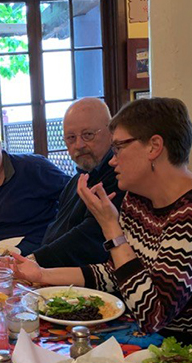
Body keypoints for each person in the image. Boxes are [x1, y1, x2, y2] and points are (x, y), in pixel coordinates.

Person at [0, 98, 192, 353]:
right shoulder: (139, 198)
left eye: (119, 147)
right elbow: (115, 274)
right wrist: (40, 273)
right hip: (144, 336)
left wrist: (112, 229)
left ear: (154, 147)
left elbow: (154, 315)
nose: (112, 160)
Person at [32, 98, 124, 267]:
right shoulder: (77, 180)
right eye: (71, 138)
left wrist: (35, 261)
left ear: (111, 132)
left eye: (88, 135)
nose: (79, 145)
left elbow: (91, 238)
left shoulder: (119, 178)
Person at [0, 125, 71, 255]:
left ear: (0, 144)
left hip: (39, 247)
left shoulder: (33, 167)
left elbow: (72, 192)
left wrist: (61, 230)